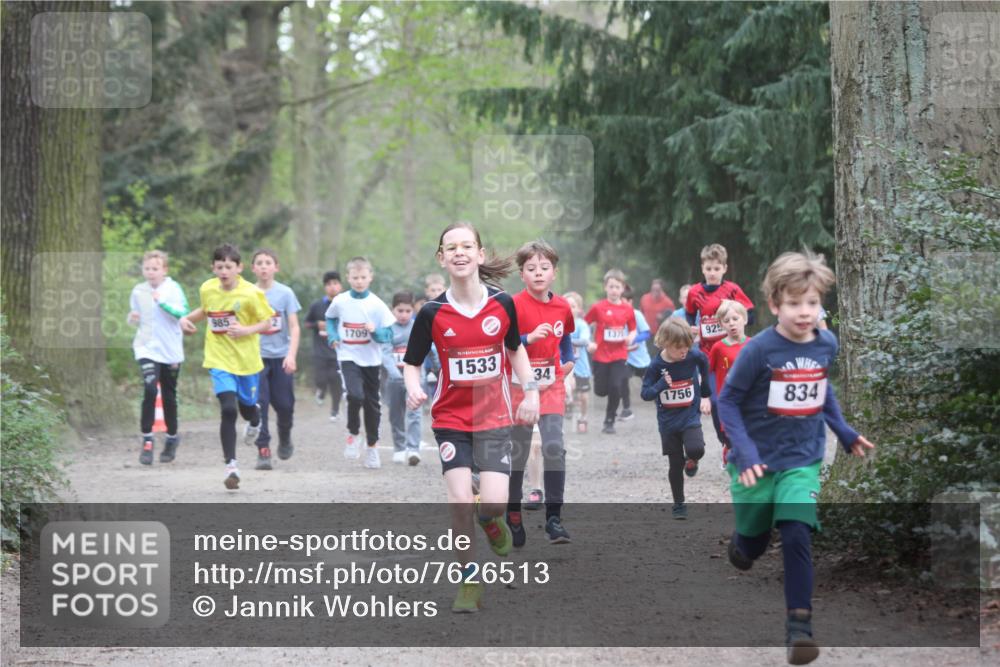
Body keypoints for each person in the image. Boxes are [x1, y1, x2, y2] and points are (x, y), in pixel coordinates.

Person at [718, 251, 874, 665]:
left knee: (796, 532)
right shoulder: (760, 350)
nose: (804, 313)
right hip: (755, 462)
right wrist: (745, 451)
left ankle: (799, 630)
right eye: (793, 303)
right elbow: (729, 401)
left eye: (811, 303)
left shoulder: (826, 343)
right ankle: (744, 545)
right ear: (774, 305)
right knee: (752, 542)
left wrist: (843, 431)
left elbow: (822, 390)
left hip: (802, 461)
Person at [402, 222, 540, 613]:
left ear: (480, 254)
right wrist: (413, 387)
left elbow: (515, 351)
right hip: (451, 419)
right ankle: (468, 582)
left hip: (495, 416)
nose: (459, 252)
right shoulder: (432, 312)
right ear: (442, 258)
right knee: (460, 499)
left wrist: (530, 391)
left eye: (467, 246)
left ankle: (492, 521)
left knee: (493, 504)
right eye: (451, 247)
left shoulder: (503, 305)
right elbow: (411, 363)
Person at [179, 244, 273, 490]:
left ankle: (255, 420)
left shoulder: (251, 293)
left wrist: (246, 330)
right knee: (228, 410)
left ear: (239, 268)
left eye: (228, 267)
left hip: (247, 361)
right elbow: (206, 311)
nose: (223, 271)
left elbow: (267, 321)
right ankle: (231, 466)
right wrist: (186, 319)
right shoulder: (207, 288)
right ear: (213, 267)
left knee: (247, 409)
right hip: (219, 358)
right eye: (219, 267)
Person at [506, 240, 575, 547]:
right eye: (531, 269)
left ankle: (554, 519)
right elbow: (504, 344)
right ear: (522, 274)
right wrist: (528, 338)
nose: (538, 273)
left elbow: (566, 339)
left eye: (544, 268)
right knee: (519, 452)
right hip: (520, 387)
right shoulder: (513, 305)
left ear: (554, 273)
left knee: (554, 446)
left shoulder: (562, 306)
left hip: (551, 386)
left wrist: (569, 359)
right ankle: (513, 513)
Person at [325, 257, 396, 469]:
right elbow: (330, 318)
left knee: (372, 405)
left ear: (370, 277)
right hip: (348, 356)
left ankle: (372, 448)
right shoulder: (340, 301)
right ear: (348, 278)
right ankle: (353, 433)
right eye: (355, 277)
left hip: (371, 360)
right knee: (355, 395)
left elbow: (389, 334)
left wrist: (375, 331)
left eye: (363, 277)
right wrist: (332, 336)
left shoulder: (376, 304)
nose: (359, 281)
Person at [640, 318, 712, 519]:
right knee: (675, 463)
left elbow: (704, 361)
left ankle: (693, 460)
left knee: (696, 449)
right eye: (679, 347)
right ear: (665, 343)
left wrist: (705, 392)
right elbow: (645, 394)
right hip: (668, 422)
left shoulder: (692, 356)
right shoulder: (656, 366)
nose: (684, 351)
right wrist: (661, 385)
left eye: (687, 347)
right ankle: (679, 504)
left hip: (689, 415)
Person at [685, 244, 755, 448]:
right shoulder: (694, 292)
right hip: (708, 356)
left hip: (734, 354)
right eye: (708, 269)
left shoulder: (732, 290)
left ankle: (740, 439)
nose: (712, 273)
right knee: (715, 402)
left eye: (717, 268)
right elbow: (690, 313)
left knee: (741, 398)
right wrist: (692, 327)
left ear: (724, 268)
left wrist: (734, 322)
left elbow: (749, 314)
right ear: (702, 269)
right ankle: (726, 441)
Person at [127, 250, 189, 465]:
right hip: (146, 348)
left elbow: (183, 312)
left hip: (170, 349)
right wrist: (132, 318)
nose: (151, 272)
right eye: (147, 269)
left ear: (164, 270)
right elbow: (134, 315)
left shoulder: (173, 289)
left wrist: (161, 302)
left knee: (170, 397)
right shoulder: (138, 290)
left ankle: (172, 438)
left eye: (155, 269)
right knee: (151, 389)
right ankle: (147, 440)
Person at [250, 249, 302, 469]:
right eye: (259, 263)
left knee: (285, 405)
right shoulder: (247, 293)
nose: (263, 266)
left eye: (268, 262)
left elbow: (294, 326)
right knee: (259, 404)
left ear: (276, 267)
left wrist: (291, 354)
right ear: (253, 268)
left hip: (281, 357)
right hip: (255, 357)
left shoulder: (285, 293)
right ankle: (263, 449)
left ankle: (285, 436)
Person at [584, 269, 637, 434]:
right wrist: (589, 342)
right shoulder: (597, 307)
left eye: (618, 287)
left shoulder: (628, 309)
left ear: (623, 289)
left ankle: (609, 420)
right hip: (600, 355)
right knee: (600, 391)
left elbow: (633, 329)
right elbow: (584, 324)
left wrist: (630, 337)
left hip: (619, 354)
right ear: (605, 287)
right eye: (611, 286)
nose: (614, 290)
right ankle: (605, 395)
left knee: (616, 386)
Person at [707, 299, 750, 466]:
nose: (732, 324)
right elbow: (708, 371)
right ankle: (728, 448)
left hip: (747, 399)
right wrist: (707, 396)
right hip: (726, 400)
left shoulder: (753, 345)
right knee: (729, 433)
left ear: (744, 319)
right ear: (721, 325)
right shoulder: (718, 348)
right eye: (726, 321)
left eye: (735, 319)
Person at [382, 290, 422, 465]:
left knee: (415, 413)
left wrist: (435, 368)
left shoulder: (418, 327)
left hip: (415, 380)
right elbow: (385, 354)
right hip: (394, 380)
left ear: (413, 310)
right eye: (400, 311)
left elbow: (427, 349)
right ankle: (399, 448)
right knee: (396, 414)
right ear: (393, 310)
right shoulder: (388, 329)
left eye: (408, 311)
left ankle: (413, 449)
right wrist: (395, 374)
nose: (404, 315)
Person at [304, 271, 343, 421]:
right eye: (328, 284)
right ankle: (321, 390)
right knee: (321, 379)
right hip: (320, 350)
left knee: (336, 380)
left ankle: (335, 410)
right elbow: (306, 323)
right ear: (324, 287)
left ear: (340, 285)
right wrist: (317, 324)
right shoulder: (317, 305)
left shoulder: (345, 304)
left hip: (338, 350)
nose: (332, 287)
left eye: (335, 283)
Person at [618, 283, 651, 421]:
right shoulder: (616, 315)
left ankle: (662, 404)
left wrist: (632, 340)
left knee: (650, 383)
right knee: (622, 379)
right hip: (626, 358)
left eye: (623, 301)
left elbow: (647, 333)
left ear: (630, 302)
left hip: (641, 359)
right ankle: (626, 409)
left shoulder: (636, 314)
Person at [564, 291, 591, 433]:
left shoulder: (581, 325)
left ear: (579, 309)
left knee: (584, 397)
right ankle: (568, 403)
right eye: (566, 305)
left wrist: (565, 340)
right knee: (568, 388)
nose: (569, 308)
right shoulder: (559, 324)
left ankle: (583, 417)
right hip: (565, 366)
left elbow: (585, 340)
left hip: (581, 367)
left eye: (573, 306)